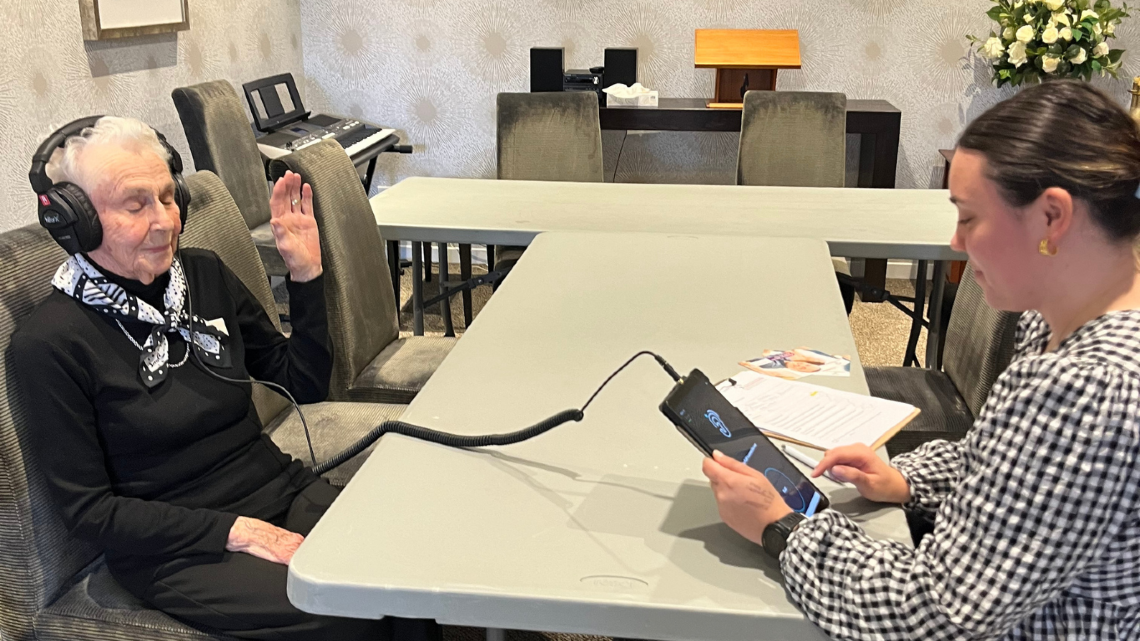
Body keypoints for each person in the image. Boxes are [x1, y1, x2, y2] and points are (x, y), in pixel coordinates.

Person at [702, 81, 1140, 639]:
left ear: (1052, 216)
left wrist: (781, 528)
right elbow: (1008, 468)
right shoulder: (1070, 321)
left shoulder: (1084, 391)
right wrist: (906, 481)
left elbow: (937, 613)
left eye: (970, 218)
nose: (956, 242)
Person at [12, 116, 436, 640]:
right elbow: (88, 511)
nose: (165, 221)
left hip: (277, 487)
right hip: (175, 547)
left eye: (168, 197)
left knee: (404, 561)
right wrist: (232, 531)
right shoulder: (50, 343)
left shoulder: (203, 274)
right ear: (75, 221)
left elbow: (301, 385)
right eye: (135, 205)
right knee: (342, 606)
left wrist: (305, 276)